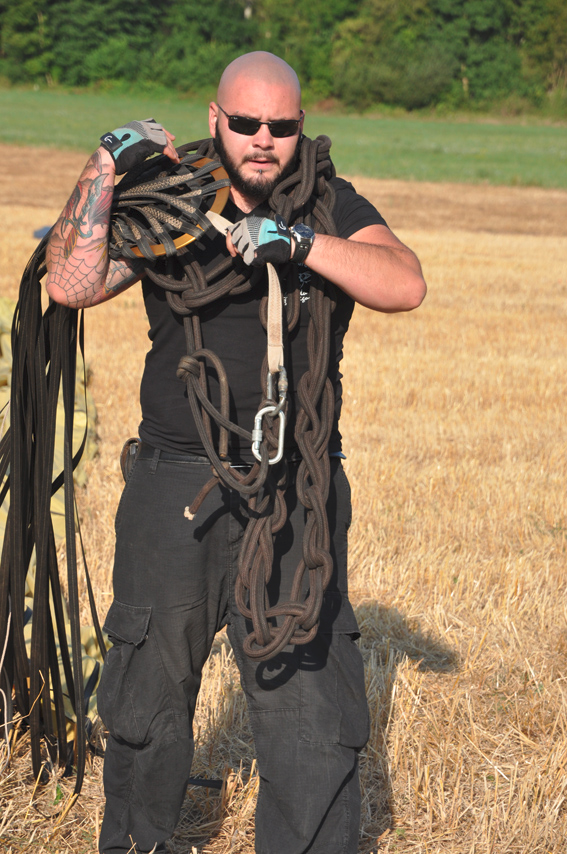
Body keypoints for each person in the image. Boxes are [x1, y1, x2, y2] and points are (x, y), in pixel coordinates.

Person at [45, 52, 426, 854]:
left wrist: (297, 241)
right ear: (215, 120)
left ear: (299, 128)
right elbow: (73, 284)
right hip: (174, 481)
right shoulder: (171, 201)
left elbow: (403, 282)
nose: (263, 140)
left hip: (298, 490)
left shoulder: (326, 201)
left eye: (280, 126)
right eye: (245, 123)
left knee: (312, 710)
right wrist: (107, 163)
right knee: (146, 694)